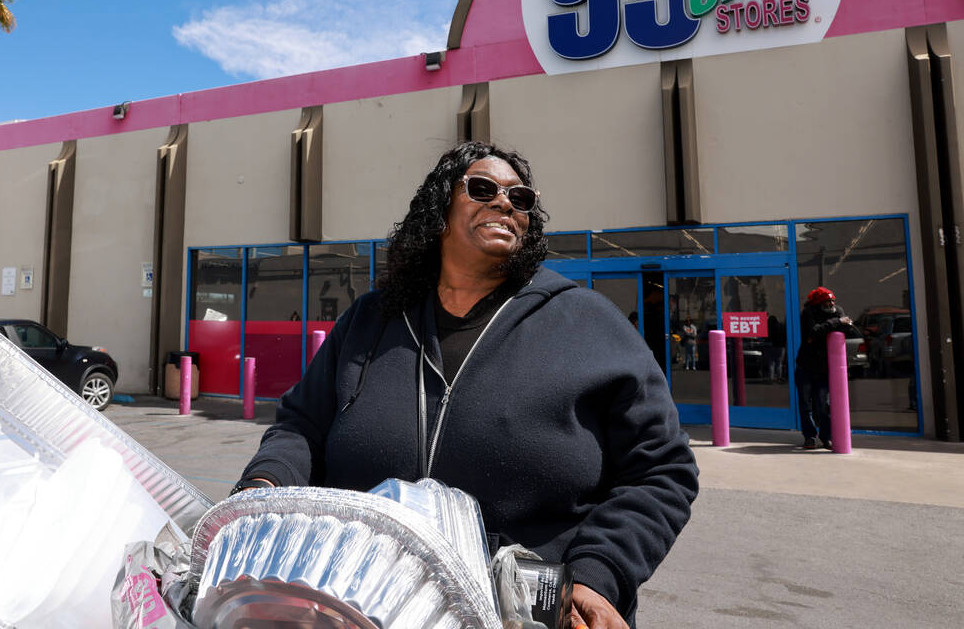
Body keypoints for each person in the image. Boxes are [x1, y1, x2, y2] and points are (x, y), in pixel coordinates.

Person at [232, 141, 698, 629]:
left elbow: (661, 470)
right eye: (483, 189)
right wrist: (261, 489)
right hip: (360, 601)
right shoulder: (371, 320)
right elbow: (301, 427)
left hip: (525, 614)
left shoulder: (588, 323)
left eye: (520, 199)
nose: (504, 203)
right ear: (440, 208)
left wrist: (599, 574)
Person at [795, 287, 858, 449]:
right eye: (827, 301)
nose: (831, 304)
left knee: (824, 406)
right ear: (818, 303)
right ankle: (809, 437)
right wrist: (836, 323)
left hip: (824, 369)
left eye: (832, 300)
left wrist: (824, 330)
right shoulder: (809, 312)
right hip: (806, 366)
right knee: (805, 405)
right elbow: (812, 331)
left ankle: (826, 437)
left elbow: (850, 329)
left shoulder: (838, 310)